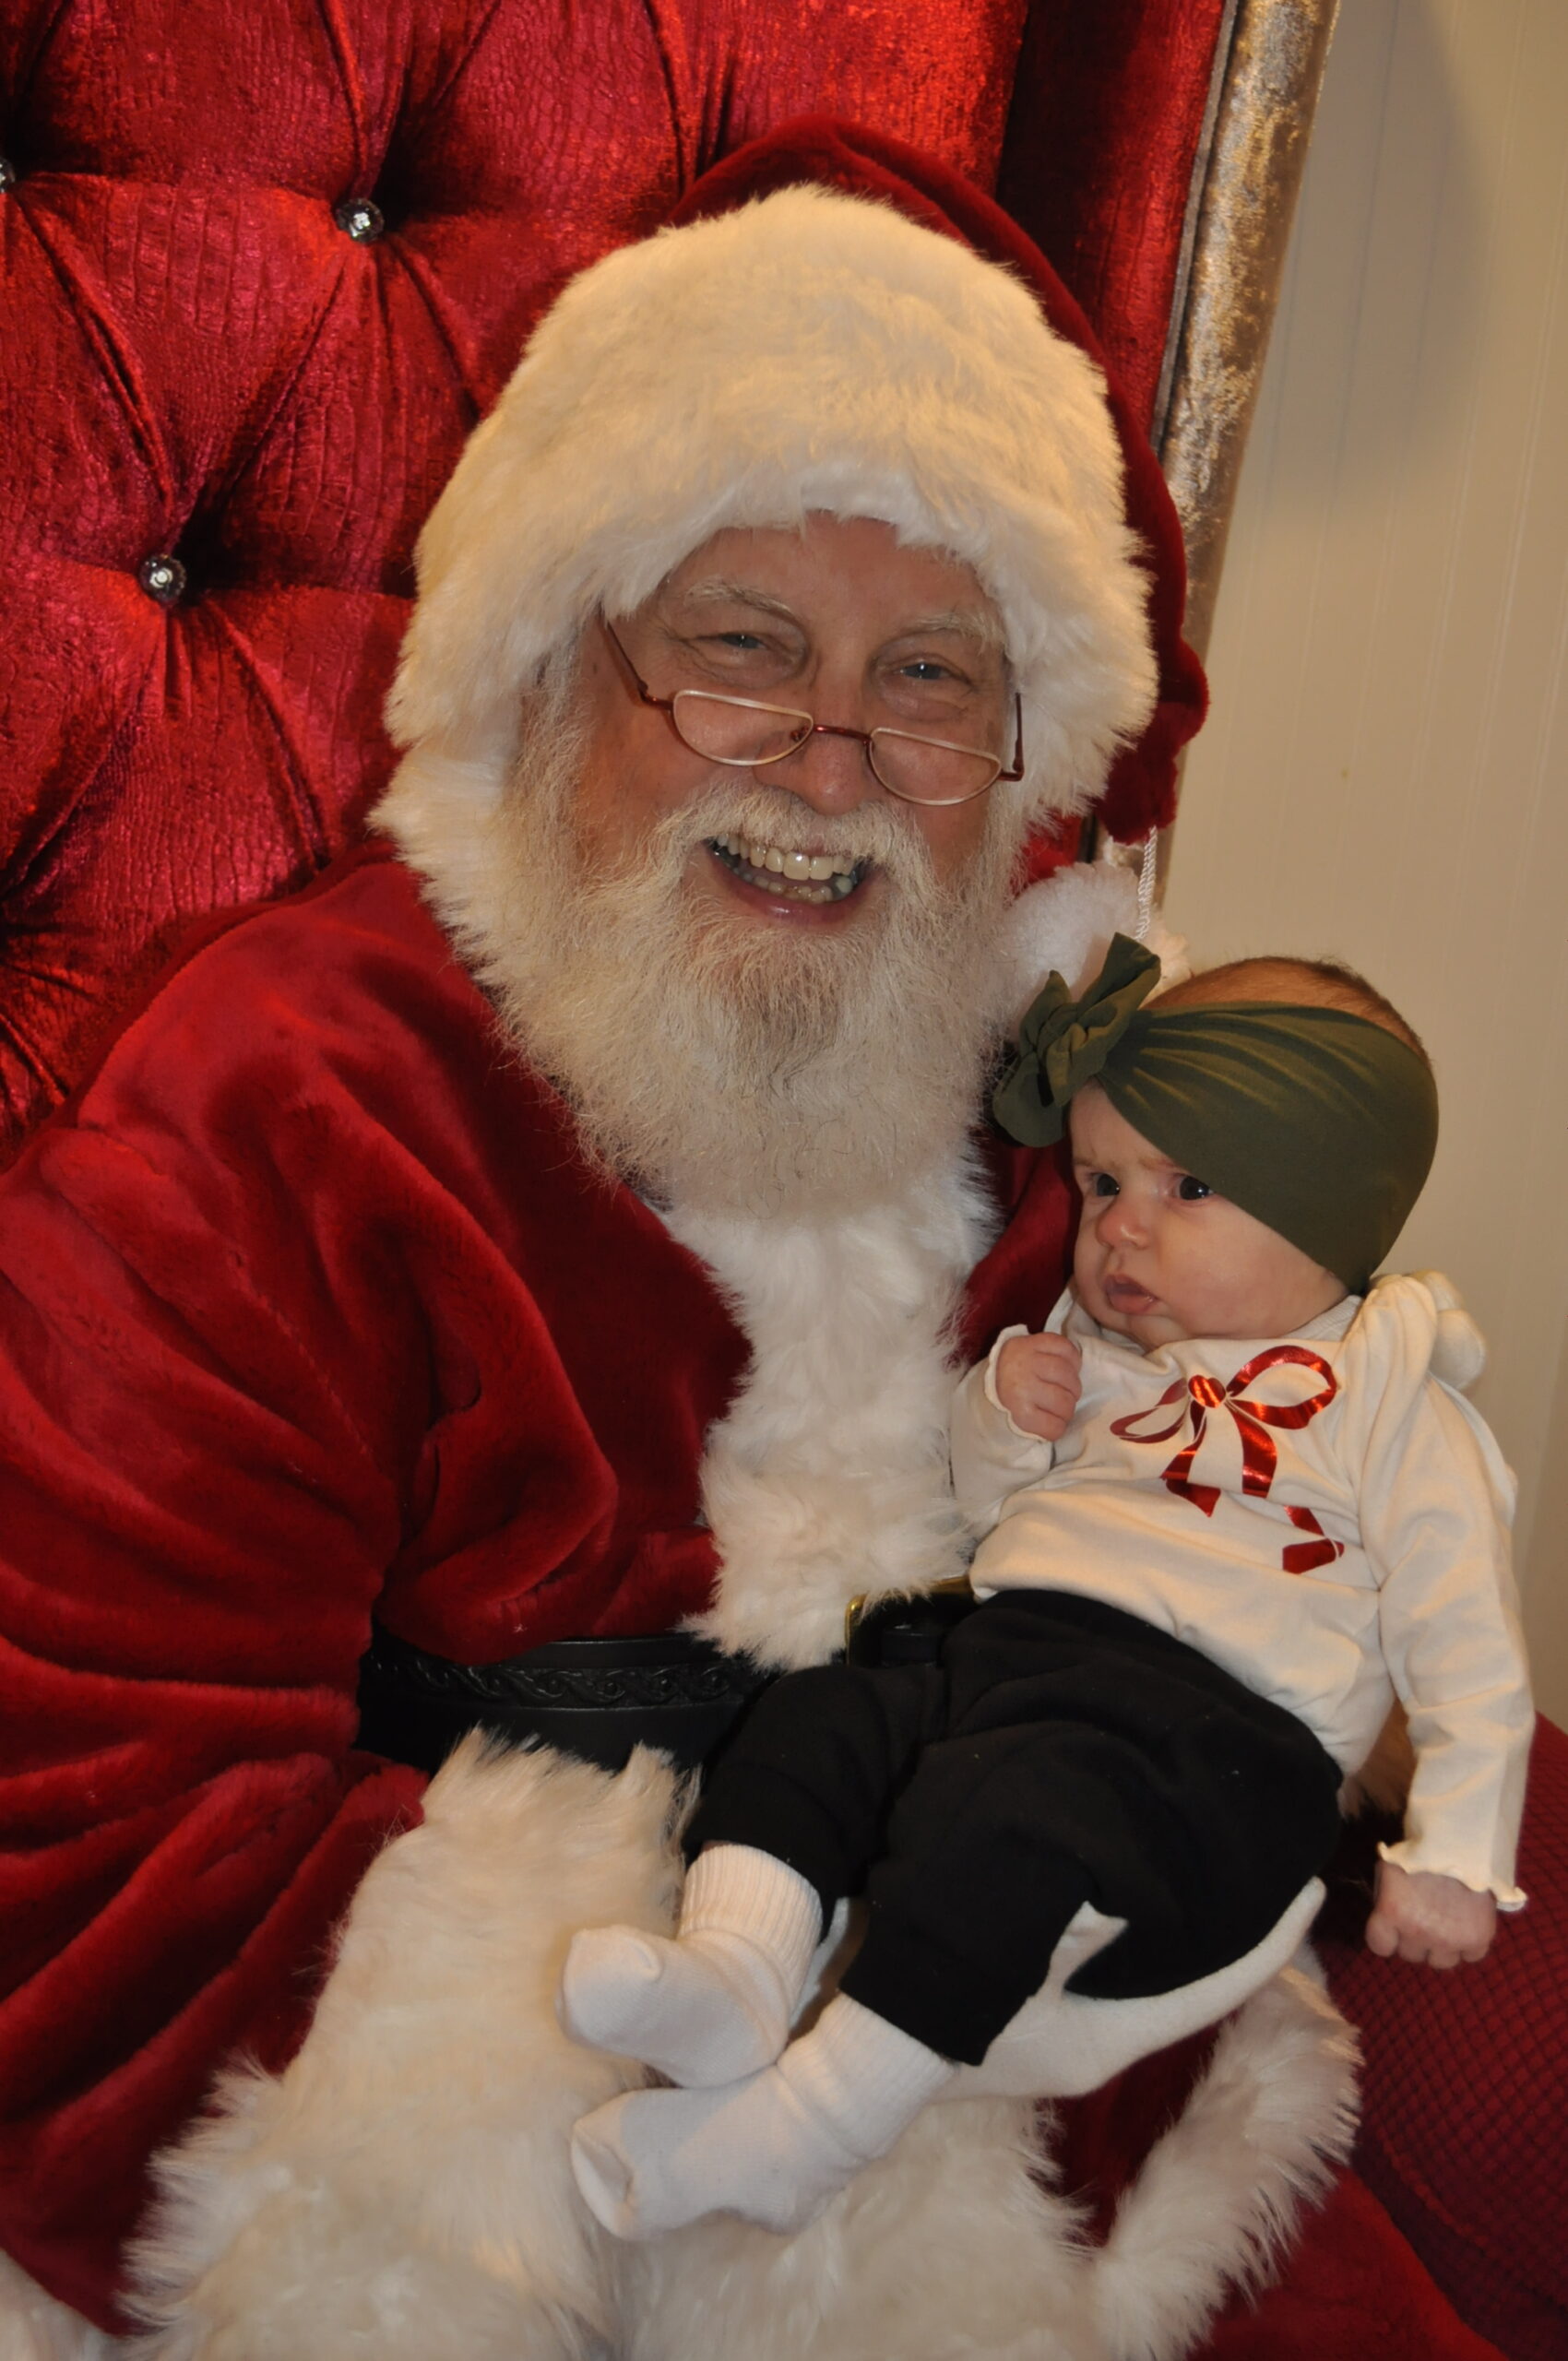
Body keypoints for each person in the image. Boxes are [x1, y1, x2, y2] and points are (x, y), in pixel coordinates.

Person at [0, 154, 1487, 2361]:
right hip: (411, 2180)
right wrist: (699, 2175)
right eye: (738, 652)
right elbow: (77, 1844)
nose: (828, 761)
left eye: (928, 678)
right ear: (555, 662)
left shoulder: (1089, 1129)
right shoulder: (284, 1092)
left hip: (1027, 2083)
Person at [561, 939, 1533, 2243]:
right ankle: (734, 1970)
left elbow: (1468, 1642)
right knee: (825, 1717)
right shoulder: (1092, 1353)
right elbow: (990, 1512)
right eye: (1102, 1181)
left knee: (1015, 1808)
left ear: (1330, 1208)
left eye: (1187, 1187)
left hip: (1220, 1754)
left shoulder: (1394, 1404)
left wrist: (1458, 1853)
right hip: (1013, 1659)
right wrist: (1004, 1418)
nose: (1120, 1224)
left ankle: (814, 2128)